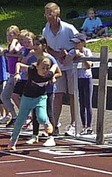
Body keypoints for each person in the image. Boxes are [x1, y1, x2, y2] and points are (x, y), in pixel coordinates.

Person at [42, 2, 79, 136]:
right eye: (46, 13)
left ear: (57, 13)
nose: (47, 16)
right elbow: (47, 47)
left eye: (50, 13)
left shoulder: (69, 28)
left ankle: (74, 124)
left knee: (72, 95)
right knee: (57, 95)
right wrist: (57, 54)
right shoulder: (45, 30)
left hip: (71, 65)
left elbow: (80, 42)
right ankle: (54, 124)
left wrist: (68, 52)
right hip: (57, 66)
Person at [7, 56, 60, 151]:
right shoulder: (31, 69)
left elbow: (55, 65)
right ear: (37, 67)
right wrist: (17, 73)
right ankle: (12, 142)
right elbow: (18, 64)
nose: (45, 70)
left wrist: (53, 77)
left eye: (47, 68)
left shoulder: (48, 74)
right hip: (27, 98)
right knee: (20, 120)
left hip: (40, 98)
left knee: (41, 117)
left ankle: (47, 123)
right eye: (43, 68)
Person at [19, 37, 60, 147]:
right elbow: (26, 68)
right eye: (34, 44)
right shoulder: (32, 57)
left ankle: (51, 136)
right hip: (34, 89)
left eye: (38, 44)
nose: (35, 47)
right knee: (35, 112)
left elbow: (58, 72)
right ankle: (35, 135)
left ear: (44, 46)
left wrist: (53, 78)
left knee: (48, 110)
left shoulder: (49, 58)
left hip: (47, 89)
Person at [65, 33, 94, 135]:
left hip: (87, 78)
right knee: (81, 103)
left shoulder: (87, 51)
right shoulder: (73, 51)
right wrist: (72, 55)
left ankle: (89, 126)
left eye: (77, 43)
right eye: (74, 43)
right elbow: (65, 62)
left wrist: (82, 57)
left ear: (83, 43)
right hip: (78, 78)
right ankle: (83, 125)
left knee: (88, 102)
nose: (75, 45)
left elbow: (89, 65)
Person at [0, 25, 23, 125]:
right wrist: (5, 50)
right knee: (4, 96)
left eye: (11, 35)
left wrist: (14, 41)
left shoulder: (18, 44)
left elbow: (14, 50)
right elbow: (9, 51)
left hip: (18, 74)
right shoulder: (9, 45)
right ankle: (14, 116)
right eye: (7, 35)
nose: (8, 37)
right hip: (11, 74)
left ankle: (26, 116)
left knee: (15, 96)